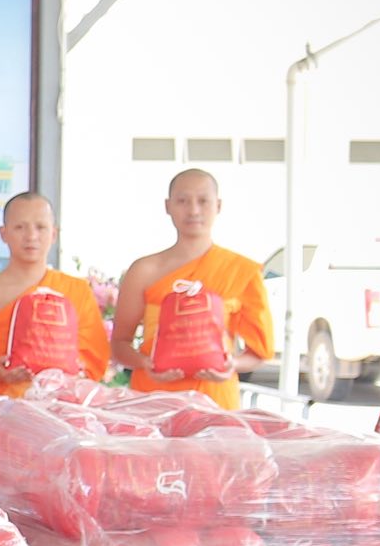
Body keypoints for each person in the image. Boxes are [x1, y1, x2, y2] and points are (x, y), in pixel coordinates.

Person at [111, 169, 274, 410]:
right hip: (154, 401)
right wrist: (146, 363)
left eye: (203, 201)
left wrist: (232, 365)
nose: (194, 210)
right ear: (168, 206)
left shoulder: (241, 271)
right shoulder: (144, 270)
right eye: (183, 201)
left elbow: (259, 353)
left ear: (218, 205)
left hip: (216, 401)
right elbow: (119, 346)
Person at [0, 192, 110, 398]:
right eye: (20, 227)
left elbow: (94, 359)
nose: (31, 236)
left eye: (40, 227)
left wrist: (70, 378)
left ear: (54, 234)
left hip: (64, 411)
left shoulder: (76, 290)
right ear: (3, 234)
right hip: (2, 413)